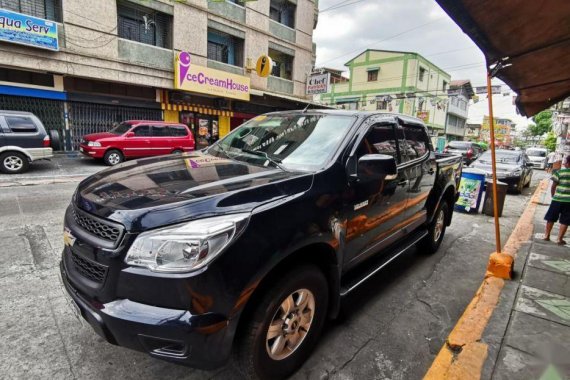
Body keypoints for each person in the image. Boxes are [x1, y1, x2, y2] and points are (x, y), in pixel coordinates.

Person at [543, 154, 570, 245]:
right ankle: (559, 239)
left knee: (551, 217)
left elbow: (553, 186)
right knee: (565, 220)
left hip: (557, 199)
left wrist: (553, 196)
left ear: (567, 163)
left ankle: (547, 235)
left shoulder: (559, 172)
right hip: (569, 202)